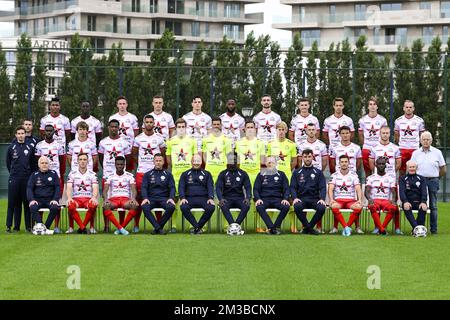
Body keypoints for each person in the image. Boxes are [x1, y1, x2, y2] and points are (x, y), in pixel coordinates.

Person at [132, 114, 166, 232]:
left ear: (154, 124)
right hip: (141, 173)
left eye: (151, 122)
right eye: (147, 122)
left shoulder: (160, 138)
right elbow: (134, 154)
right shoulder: (138, 138)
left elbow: (162, 154)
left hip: (155, 173)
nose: (149, 124)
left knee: (157, 196)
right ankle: (136, 225)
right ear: (144, 123)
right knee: (140, 197)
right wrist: (141, 164)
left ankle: (158, 224)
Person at [98, 119, 132, 231]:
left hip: (122, 175)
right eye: (111, 126)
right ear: (108, 127)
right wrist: (108, 170)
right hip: (107, 175)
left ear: (119, 128)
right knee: (106, 200)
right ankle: (106, 225)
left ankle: (122, 224)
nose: (113, 129)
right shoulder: (103, 142)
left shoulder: (124, 142)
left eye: (116, 127)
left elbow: (127, 158)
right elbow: (101, 158)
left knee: (123, 196)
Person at [166, 118, 198, 233]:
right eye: (178, 127)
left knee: (189, 200)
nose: (181, 129)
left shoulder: (192, 141)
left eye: (182, 127)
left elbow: (195, 157)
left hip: (189, 176)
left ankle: (191, 226)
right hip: (175, 175)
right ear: (175, 128)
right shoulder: (171, 141)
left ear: (186, 128)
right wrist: (175, 167)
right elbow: (168, 158)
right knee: (174, 200)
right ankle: (173, 226)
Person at [368, 126, 402, 234]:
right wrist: (377, 173)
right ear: (380, 134)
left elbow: (398, 163)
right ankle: (378, 227)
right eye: (383, 133)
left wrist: (391, 172)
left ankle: (396, 228)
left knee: (394, 203)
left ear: (390, 134)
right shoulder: (374, 148)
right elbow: (371, 163)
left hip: (391, 178)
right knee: (375, 201)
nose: (385, 135)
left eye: (387, 133)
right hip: (378, 178)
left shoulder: (395, 148)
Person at [410, 131, 446, 234]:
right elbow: (411, 166)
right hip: (419, 182)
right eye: (424, 139)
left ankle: (433, 229)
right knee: (420, 204)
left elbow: (443, 168)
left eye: (428, 139)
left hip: (433, 180)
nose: (426, 141)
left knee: (433, 205)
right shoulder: (415, 153)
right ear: (420, 140)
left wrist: (436, 177)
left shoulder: (437, 152)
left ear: (431, 140)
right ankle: (419, 228)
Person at [266, 121, 298, 232]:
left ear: (286, 131)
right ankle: (269, 224)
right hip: (272, 175)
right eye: (279, 129)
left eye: (283, 130)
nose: (281, 132)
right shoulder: (270, 144)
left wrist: (287, 170)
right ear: (276, 130)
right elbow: (268, 160)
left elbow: (294, 161)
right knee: (270, 198)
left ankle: (293, 225)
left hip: (287, 176)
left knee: (289, 200)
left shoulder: (291, 144)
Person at [235, 120, 266, 232]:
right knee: (241, 200)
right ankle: (239, 224)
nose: (250, 129)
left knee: (256, 199)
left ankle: (258, 225)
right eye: (248, 127)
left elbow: (263, 161)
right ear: (244, 129)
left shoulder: (260, 143)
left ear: (255, 129)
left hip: (256, 174)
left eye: (252, 127)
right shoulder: (239, 143)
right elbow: (237, 161)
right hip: (242, 175)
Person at [35, 124, 65, 233]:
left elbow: (62, 162)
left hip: (56, 177)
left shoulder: (59, 145)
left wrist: (60, 175)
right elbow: (37, 162)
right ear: (43, 132)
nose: (48, 132)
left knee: (56, 201)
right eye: (46, 131)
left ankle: (56, 226)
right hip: (42, 177)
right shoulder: (39, 145)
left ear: (54, 132)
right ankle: (40, 224)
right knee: (40, 200)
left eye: (50, 131)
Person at [6, 126, 36, 232]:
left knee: (27, 204)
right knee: (13, 204)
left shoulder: (30, 147)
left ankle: (29, 227)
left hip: (26, 180)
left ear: (25, 135)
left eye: (22, 133)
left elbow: (33, 164)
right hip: (14, 179)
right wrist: (14, 174)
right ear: (16, 135)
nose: (20, 135)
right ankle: (11, 226)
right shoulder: (11, 148)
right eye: (18, 133)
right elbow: (8, 164)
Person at [290, 149, 327, 235]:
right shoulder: (296, 172)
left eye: (309, 156)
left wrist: (322, 198)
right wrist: (295, 198)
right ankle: (310, 228)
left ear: (312, 157)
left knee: (321, 207)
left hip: (314, 199)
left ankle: (307, 228)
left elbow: (322, 187)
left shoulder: (318, 172)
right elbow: (292, 187)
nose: (307, 159)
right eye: (305, 157)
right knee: (297, 206)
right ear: (302, 158)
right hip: (301, 199)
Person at [179, 154, 216, 235]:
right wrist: (182, 198)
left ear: (201, 162)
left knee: (211, 207)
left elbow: (210, 186)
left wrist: (210, 198)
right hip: (189, 199)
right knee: (183, 207)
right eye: (194, 161)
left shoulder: (207, 174)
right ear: (191, 162)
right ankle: (197, 227)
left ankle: (197, 227)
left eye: (198, 161)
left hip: (203, 198)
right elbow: (181, 187)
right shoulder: (185, 174)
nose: (196, 163)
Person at [253, 156, 291, 235]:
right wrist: (258, 199)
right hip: (264, 199)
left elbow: (286, 188)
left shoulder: (281, 174)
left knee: (286, 206)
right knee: (259, 206)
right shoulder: (261, 174)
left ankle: (275, 227)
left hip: (277, 199)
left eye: (272, 162)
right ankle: (271, 227)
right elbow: (256, 189)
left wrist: (285, 199)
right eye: (268, 162)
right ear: (266, 164)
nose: (270, 164)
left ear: (276, 163)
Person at [141, 154, 176, 235]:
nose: (158, 162)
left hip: (164, 199)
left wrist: (171, 198)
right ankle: (159, 228)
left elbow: (172, 187)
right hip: (151, 199)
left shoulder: (168, 174)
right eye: (156, 161)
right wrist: (145, 198)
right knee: (144, 207)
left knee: (171, 207)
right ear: (153, 162)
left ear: (163, 162)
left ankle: (157, 228)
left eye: (160, 161)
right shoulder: (147, 174)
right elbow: (144, 187)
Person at [328, 155, 363, 237]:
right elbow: (330, 189)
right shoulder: (334, 175)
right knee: (334, 206)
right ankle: (344, 227)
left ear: (349, 163)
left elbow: (358, 188)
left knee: (358, 206)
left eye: (346, 162)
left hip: (350, 200)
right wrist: (331, 199)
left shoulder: (353, 175)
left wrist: (360, 199)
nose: (344, 164)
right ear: (339, 163)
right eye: (342, 162)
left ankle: (347, 227)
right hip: (339, 200)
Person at [102, 156, 138, 235]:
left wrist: (133, 198)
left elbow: (133, 189)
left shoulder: (129, 176)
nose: (119, 166)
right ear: (115, 165)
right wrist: (105, 199)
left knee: (134, 205)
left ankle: (120, 228)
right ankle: (121, 228)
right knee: (105, 206)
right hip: (114, 199)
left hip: (125, 199)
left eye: (121, 164)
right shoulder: (110, 176)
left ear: (124, 165)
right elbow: (105, 190)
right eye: (118, 164)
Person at [216, 153, 252, 228]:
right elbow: (218, 188)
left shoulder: (243, 173)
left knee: (247, 205)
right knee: (223, 205)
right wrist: (220, 199)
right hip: (227, 198)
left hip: (239, 198)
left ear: (237, 161)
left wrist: (248, 198)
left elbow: (248, 187)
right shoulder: (223, 174)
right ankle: (234, 226)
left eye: (234, 160)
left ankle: (235, 225)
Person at [66, 153, 99, 234]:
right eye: (80, 159)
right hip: (76, 198)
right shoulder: (72, 174)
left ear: (88, 161)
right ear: (77, 161)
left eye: (84, 159)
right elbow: (69, 187)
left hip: (88, 198)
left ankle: (90, 227)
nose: (82, 161)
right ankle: (74, 227)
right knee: (70, 205)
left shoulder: (92, 174)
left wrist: (94, 197)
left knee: (93, 205)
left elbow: (95, 187)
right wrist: (69, 198)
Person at [39, 97, 71, 179]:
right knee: (45, 171)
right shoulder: (44, 119)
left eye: (57, 105)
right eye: (53, 105)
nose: (55, 107)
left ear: (59, 107)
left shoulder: (65, 119)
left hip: (61, 151)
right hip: (47, 150)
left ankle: (60, 191)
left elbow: (67, 134)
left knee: (61, 173)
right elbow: (42, 134)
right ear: (50, 107)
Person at [365, 157, 398, 236]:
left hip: (385, 201)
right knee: (372, 206)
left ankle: (381, 228)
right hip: (375, 200)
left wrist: (393, 200)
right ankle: (382, 229)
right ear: (375, 165)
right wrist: (369, 199)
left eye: (383, 164)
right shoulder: (371, 178)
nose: (381, 165)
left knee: (393, 207)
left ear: (386, 165)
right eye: (379, 164)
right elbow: (366, 191)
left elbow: (394, 191)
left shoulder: (391, 178)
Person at [27, 156, 60, 231]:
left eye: (46, 163)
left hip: (50, 200)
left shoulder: (53, 174)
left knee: (55, 208)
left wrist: (55, 199)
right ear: (39, 165)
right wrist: (31, 200)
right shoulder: (34, 175)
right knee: (32, 207)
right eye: (42, 163)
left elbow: (57, 188)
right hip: (38, 200)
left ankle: (46, 227)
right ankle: (41, 225)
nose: (44, 165)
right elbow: (29, 188)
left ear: (49, 164)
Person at [394, 100, 425, 176]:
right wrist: (400, 143)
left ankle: (415, 187)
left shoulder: (419, 120)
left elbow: (422, 134)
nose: (408, 109)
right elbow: (396, 134)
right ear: (403, 108)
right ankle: (402, 187)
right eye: (407, 107)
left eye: (410, 107)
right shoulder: (398, 120)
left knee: (416, 170)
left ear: (413, 108)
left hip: (415, 149)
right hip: (402, 148)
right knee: (402, 171)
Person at [358, 96, 388, 177]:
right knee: (367, 172)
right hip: (367, 148)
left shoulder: (383, 120)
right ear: (368, 107)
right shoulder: (362, 120)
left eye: (374, 104)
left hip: (378, 148)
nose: (372, 106)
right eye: (370, 104)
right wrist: (365, 144)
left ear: (377, 106)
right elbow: (360, 135)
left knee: (379, 171)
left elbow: (384, 134)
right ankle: (368, 187)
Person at [109, 96, 139, 170]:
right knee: (117, 168)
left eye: (123, 103)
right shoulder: (112, 118)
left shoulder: (133, 117)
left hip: (130, 147)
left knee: (129, 169)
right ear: (117, 105)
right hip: (117, 148)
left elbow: (136, 132)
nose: (122, 105)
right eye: (120, 104)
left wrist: (134, 146)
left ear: (127, 104)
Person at [398, 160, 428, 233]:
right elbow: (402, 191)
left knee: (423, 208)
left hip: (419, 202)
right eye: (410, 167)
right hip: (408, 202)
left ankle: (415, 230)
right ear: (407, 168)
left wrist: (423, 202)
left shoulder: (421, 178)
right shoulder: (402, 178)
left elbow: (424, 191)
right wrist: (405, 201)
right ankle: (417, 229)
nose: (412, 168)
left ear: (416, 168)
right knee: (406, 207)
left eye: (413, 167)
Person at [201, 117, 233, 183]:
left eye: (218, 124)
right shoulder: (205, 139)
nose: (216, 126)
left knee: (221, 192)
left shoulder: (227, 140)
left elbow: (229, 157)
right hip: (209, 171)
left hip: (222, 172)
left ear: (221, 125)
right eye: (214, 124)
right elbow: (204, 155)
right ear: (211, 126)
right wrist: (208, 164)